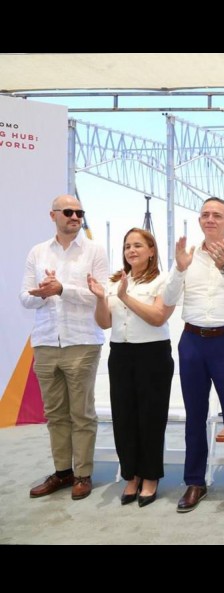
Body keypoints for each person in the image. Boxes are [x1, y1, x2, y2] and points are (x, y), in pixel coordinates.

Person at [162, 197, 224, 513]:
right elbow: (168, 298)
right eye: (205, 215)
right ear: (200, 221)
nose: (210, 219)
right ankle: (195, 482)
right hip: (192, 341)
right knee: (195, 413)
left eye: (217, 215)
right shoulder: (186, 255)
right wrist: (179, 269)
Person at [20, 194, 109, 501]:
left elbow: (99, 295)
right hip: (45, 342)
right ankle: (62, 472)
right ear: (53, 215)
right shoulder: (38, 252)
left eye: (79, 212)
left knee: (82, 413)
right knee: (55, 414)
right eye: (69, 212)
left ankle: (83, 474)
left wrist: (62, 289)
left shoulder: (94, 251)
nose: (75, 217)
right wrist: (43, 293)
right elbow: (24, 297)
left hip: (82, 341)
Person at [88, 228, 175, 507]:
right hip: (121, 354)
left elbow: (158, 317)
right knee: (124, 417)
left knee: (150, 418)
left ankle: (150, 476)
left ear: (151, 250)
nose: (131, 250)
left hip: (152, 354)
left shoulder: (163, 280)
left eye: (138, 245)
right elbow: (104, 322)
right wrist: (101, 298)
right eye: (127, 246)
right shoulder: (115, 281)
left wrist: (125, 297)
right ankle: (131, 475)